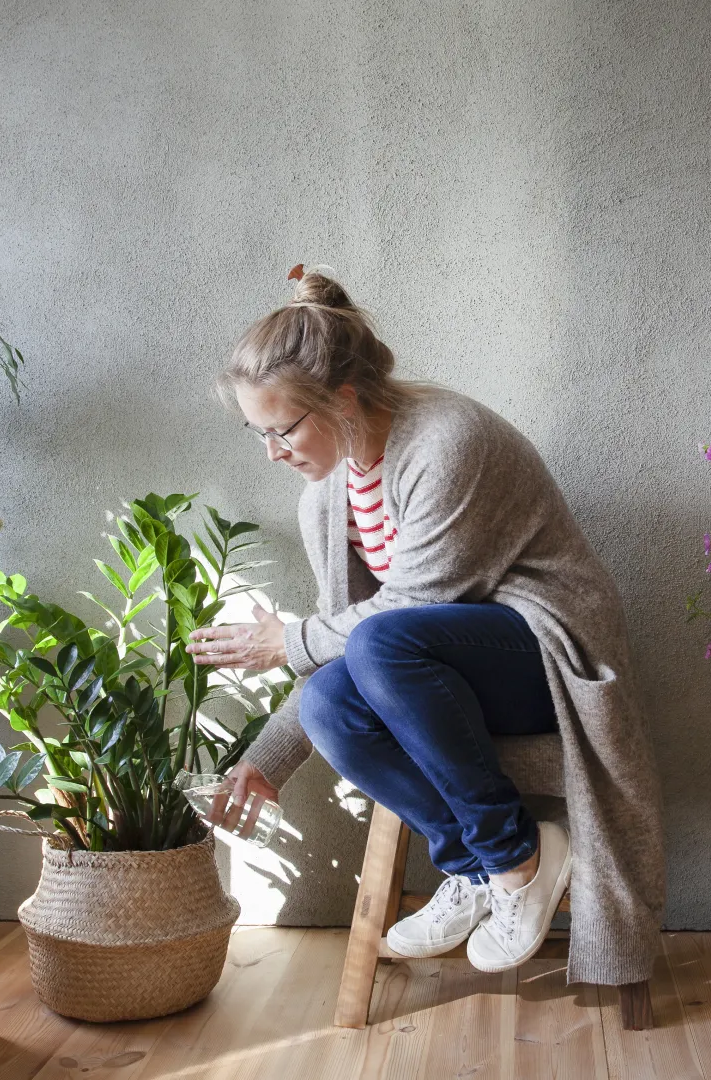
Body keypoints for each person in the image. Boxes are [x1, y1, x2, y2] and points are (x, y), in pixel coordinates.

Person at [187, 265, 664, 984]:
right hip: (433, 673)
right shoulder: (327, 497)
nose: (273, 452)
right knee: (329, 701)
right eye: (258, 434)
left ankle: (515, 859)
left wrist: (288, 640)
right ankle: (478, 868)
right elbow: (340, 646)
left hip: (548, 660)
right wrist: (268, 758)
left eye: (282, 430)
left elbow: (401, 614)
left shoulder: (449, 444)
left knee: (382, 642)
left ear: (342, 399)